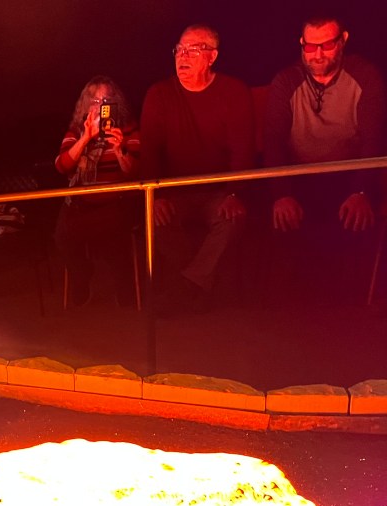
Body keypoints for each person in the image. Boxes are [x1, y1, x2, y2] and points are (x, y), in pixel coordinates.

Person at [263, 14, 387, 305]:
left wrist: (361, 191)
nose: (318, 54)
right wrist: (281, 194)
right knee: (285, 219)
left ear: (343, 41)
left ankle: (351, 305)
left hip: (350, 174)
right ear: (301, 44)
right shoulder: (286, 80)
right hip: (301, 175)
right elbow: (273, 141)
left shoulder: (365, 75)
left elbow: (373, 140)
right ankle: (292, 306)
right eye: (310, 47)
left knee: (356, 218)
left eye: (327, 45)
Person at [140, 24, 255, 315]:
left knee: (232, 219)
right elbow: (149, 151)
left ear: (212, 56)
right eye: (179, 49)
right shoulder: (159, 94)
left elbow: (243, 151)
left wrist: (234, 192)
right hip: (175, 193)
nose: (183, 56)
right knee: (154, 218)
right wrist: (157, 196)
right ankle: (198, 282)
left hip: (219, 192)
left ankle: (185, 288)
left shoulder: (233, 91)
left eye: (193, 50)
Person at [53, 76, 141, 308]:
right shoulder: (76, 130)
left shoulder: (128, 129)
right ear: (85, 104)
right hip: (80, 205)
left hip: (114, 202)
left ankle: (125, 288)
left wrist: (119, 150)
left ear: (116, 102)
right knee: (63, 237)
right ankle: (82, 276)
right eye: (95, 100)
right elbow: (62, 166)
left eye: (106, 100)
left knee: (113, 235)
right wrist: (85, 138)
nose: (101, 105)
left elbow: (134, 173)